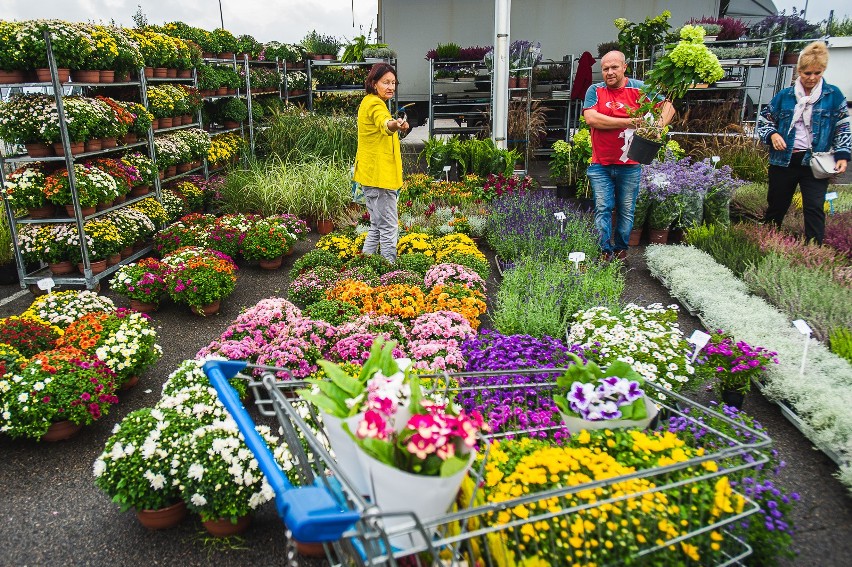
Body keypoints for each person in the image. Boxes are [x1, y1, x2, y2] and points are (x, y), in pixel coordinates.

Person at [582, 50, 674, 261]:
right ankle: (604, 251)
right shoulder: (595, 90)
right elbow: (592, 119)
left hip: (630, 163)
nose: (610, 72)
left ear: (624, 67)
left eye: (614, 67)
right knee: (603, 208)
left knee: (626, 209)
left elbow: (668, 106)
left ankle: (621, 249)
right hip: (601, 164)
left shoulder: (639, 89)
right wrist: (630, 121)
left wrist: (657, 126)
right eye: (605, 69)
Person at [757, 41, 850, 245]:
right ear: (799, 71)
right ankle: (767, 241)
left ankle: (814, 248)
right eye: (807, 73)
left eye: (817, 73)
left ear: (823, 70)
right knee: (776, 205)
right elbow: (763, 121)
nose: (812, 78)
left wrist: (843, 155)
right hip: (784, 160)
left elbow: (842, 126)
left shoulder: (833, 96)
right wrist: (772, 134)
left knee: (814, 206)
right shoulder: (784, 96)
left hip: (815, 162)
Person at [354, 63, 410, 263]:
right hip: (379, 178)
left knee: (377, 225)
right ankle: (389, 269)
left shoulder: (370, 101)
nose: (391, 87)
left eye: (393, 82)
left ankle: (366, 263)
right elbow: (384, 123)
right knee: (388, 226)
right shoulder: (376, 105)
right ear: (373, 83)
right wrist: (395, 124)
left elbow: (386, 123)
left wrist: (397, 124)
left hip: (371, 175)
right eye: (385, 82)